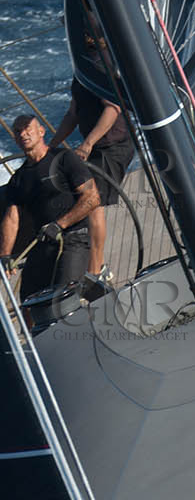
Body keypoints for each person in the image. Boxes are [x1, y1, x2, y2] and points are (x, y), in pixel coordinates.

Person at [52, 32, 136, 284]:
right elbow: (73, 113)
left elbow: (113, 109)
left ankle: (96, 271)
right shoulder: (83, 67)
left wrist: (87, 143)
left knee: (92, 203)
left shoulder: (101, 63)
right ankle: (91, 265)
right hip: (98, 146)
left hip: (113, 146)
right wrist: (51, 145)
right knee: (81, 199)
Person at [0, 113, 99, 305]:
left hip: (73, 239)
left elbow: (92, 198)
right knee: (29, 301)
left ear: (41, 131)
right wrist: (5, 254)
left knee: (65, 298)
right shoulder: (19, 179)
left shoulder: (64, 159)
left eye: (28, 128)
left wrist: (59, 225)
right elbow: (12, 218)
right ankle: (33, 334)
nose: (24, 134)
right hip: (43, 243)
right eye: (18, 131)